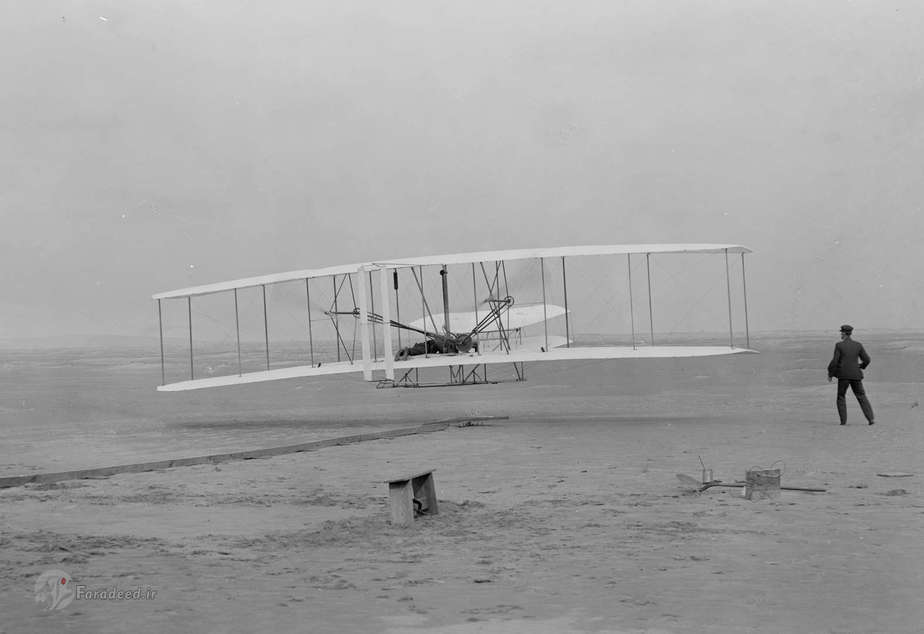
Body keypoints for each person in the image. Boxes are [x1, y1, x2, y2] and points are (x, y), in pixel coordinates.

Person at [827, 324, 876, 425]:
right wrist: (860, 366)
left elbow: (835, 362)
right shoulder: (858, 345)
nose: (841, 334)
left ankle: (843, 422)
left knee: (841, 396)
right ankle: (870, 419)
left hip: (843, 375)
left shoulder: (839, 345)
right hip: (856, 375)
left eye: (841, 332)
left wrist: (830, 373)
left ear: (844, 333)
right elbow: (867, 359)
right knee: (861, 396)